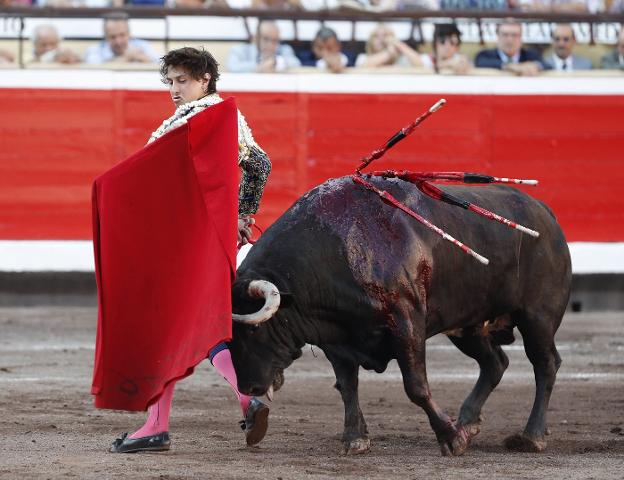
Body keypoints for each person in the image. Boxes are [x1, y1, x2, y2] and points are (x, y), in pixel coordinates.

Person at [106, 47, 272, 453]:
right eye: (171, 82)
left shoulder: (216, 115)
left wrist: (242, 215)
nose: (175, 89)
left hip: (187, 243)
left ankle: (156, 426)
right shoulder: (190, 119)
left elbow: (259, 165)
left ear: (205, 81)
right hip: (181, 239)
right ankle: (244, 397)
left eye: (184, 81)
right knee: (198, 325)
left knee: (164, 329)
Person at [474, 18, 546, 76]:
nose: (510, 40)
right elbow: (480, 62)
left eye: (514, 35)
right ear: (498, 37)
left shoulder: (531, 55)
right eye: (505, 35)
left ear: (521, 38)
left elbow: (547, 64)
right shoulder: (485, 55)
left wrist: (535, 66)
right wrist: (510, 66)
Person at [84, 12, 160, 64]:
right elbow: (95, 69)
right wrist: (125, 58)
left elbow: (162, 65)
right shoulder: (95, 50)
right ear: (106, 37)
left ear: (129, 34)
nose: (118, 41)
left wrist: (146, 59)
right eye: (113, 37)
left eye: (122, 35)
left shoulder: (143, 46)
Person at [226, 20, 301, 73]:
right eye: (266, 39)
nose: (270, 44)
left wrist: (275, 62)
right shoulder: (240, 49)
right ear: (255, 38)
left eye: (275, 40)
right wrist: (259, 67)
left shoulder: (284, 49)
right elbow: (232, 67)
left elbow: (296, 63)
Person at [355, 24, 424, 68]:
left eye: (385, 35)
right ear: (370, 41)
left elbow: (420, 65)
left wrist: (399, 45)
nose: (381, 39)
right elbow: (366, 65)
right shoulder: (363, 58)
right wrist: (390, 53)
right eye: (376, 36)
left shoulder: (402, 60)